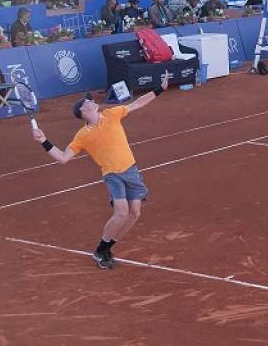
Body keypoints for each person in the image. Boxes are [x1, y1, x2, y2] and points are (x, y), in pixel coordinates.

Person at [30, 74, 169, 269]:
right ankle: (100, 249)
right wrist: (43, 140)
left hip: (131, 170)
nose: (93, 102)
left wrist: (160, 89)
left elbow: (137, 104)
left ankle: (106, 248)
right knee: (121, 212)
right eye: (89, 102)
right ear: (84, 111)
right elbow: (63, 158)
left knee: (135, 213)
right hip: (113, 175)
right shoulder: (83, 136)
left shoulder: (113, 114)